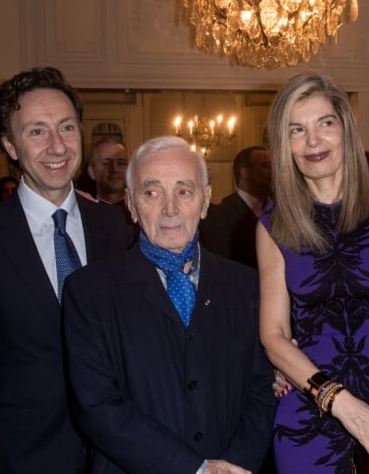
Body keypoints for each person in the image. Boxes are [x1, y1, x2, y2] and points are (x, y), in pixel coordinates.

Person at [63, 136, 276, 474]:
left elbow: (262, 393)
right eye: (152, 192)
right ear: (132, 205)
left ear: (205, 201)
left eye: (184, 191)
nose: (170, 208)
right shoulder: (90, 292)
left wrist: (233, 467)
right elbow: (98, 406)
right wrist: (194, 470)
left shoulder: (247, 286)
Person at [257, 72, 369, 473]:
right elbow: (274, 335)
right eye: (296, 130)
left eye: (325, 123)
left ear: (346, 130)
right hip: (309, 418)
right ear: (284, 144)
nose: (313, 141)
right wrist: (345, 407)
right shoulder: (272, 224)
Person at [0, 67, 133, 473]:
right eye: (36, 132)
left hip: (119, 454)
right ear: (10, 145)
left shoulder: (117, 229)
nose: (57, 146)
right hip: (26, 456)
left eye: (66, 127)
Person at [200, 146, 271, 269]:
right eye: (265, 166)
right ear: (246, 173)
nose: (272, 171)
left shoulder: (282, 210)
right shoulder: (219, 218)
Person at [86, 136, 129, 205]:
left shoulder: (142, 209)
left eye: (121, 163)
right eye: (106, 163)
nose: (115, 169)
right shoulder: (81, 211)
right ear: (91, 172)